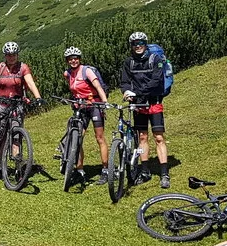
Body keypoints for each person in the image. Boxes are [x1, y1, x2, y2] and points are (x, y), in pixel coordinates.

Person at [118, 31, 172, 188]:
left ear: (145, 43)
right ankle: (145, 171)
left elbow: (157, 81)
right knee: (142, 137)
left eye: (141, 43)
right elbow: (125, 81)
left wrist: (138, 92)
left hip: (154, 102)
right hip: (139, 105)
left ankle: (164, 173)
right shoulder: (129, 62)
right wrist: (126, 92)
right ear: (131, 46)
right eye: (135, 44)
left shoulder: (155, 60)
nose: (138, 46)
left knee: (159, 137)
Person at [63, 46, 110, 184]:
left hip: (94, 106)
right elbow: (74, 89)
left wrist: (104, 102)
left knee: (99, 138)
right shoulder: (68, 74)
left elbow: (98, 87)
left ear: (79, 59)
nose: (73, 61)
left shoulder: (86, 71)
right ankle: (79, 170)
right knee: (77, 138)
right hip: (81, 108)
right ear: (67, 61)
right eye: (70, 59)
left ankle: (105, 170)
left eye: (76, 58)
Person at [0, 41, 43, 117]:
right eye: (9, 55)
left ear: (17, 55)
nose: (12, 58)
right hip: (0, 105)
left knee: (16, 126)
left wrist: (38, 97)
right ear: (5, 56)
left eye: (14, 55)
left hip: (16, 105)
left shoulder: (23, 68)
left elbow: (30, 83)